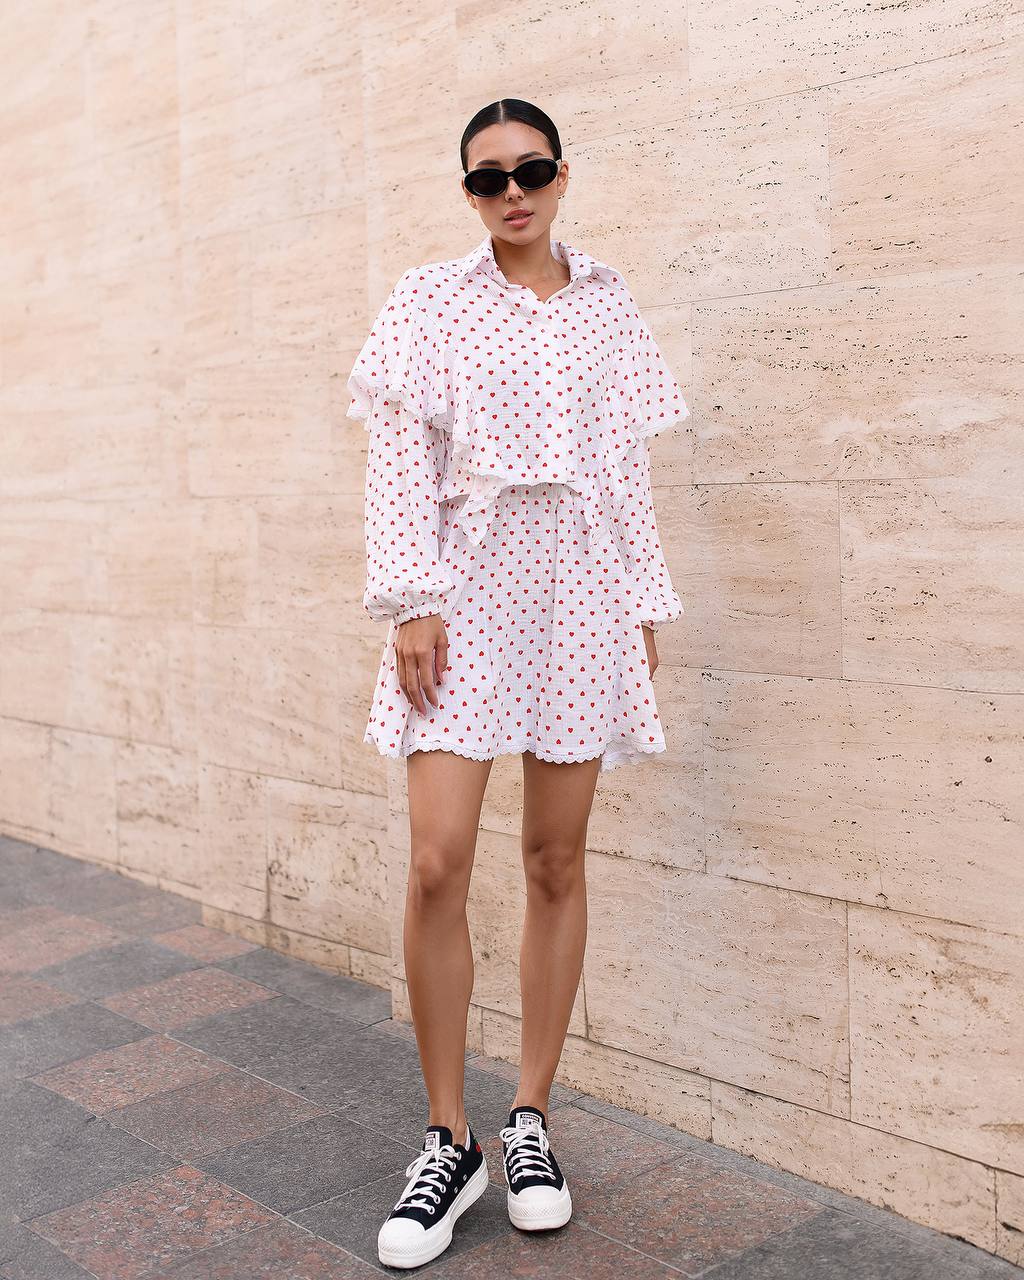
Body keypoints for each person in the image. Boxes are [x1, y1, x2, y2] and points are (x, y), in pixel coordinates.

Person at [347, 98, 689, 1270]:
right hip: (465, 588)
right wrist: (410, 598)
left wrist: (643, 602)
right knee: (439, 857)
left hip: (582, 593)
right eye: (486, 178)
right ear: (467, 192)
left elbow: (625, 472)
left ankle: (530, 1115)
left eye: (530, 170)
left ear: (559, 174)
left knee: (554, 856)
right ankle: (449, 1137)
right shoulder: (427, 301)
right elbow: (399, 457)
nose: (511, 193)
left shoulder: (607, 303)